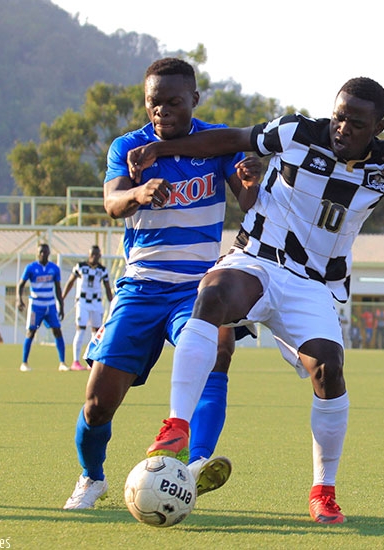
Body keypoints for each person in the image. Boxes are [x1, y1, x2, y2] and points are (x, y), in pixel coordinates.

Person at [127, 76, 384, 524]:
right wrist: (161, 149)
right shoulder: (297, 132)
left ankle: (323, 491)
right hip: (257, 261)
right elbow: (231, 138)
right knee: (211, 296)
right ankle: (176, 426)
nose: (342, 128)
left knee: (329, 368)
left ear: (378, 125)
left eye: (357, 123)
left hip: (313, 284)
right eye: (339, 116)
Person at [62, 58, 261, 510]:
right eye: (154, 103)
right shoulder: (129, 147)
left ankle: (196, 464)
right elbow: (112, 202)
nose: (162, 112)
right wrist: (137, 194)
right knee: (97, 404)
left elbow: (248, 201)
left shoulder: (217, 141)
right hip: (141, 288)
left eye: (173, 102)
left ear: (194, 99)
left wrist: (252, 182)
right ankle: (93, 478)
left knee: (219, 352)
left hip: (198, 287)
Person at [61, 245, 114, 371]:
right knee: (80, 329)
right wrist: (62, 298)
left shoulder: (102, 270)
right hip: (82, 302)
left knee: (96, 333)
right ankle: (76, 361)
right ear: (89, 255)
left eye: (97, 254)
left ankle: (92, 360)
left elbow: (107, 288)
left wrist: (113, 304)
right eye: (92, 254)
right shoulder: (80, 267)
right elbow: (70, 282)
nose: (94, 257)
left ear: (100, 255)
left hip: (96, 303)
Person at [18, 243, 66, 372]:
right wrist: (20, 300)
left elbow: (58, 288)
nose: (43, 254)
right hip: (36, 305)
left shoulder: (54, 268)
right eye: (41, 252)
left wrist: (61, 306)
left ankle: (62, 363)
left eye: (45, 252)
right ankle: (24, 363)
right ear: (37, 253)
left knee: (57, 330)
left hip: (50, 305)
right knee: (31, 332)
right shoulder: (31, 268)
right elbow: (21, 284)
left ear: (49, 253)